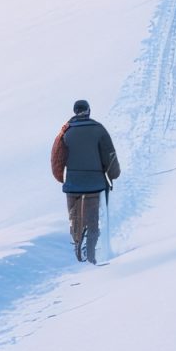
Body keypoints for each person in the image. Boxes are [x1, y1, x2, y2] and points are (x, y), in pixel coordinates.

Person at [51, 100, 121, 264]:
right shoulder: (98, 129)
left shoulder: (66, 132)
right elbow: (109, 156)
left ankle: (78, 246)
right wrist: (113, 175)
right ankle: (90, 257)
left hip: (72, 184)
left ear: (74, 111)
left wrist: (61, 177)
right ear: (88, 111)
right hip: (94, 184)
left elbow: (57, 158)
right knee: (92, 221)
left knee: (75, 217)